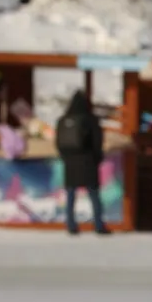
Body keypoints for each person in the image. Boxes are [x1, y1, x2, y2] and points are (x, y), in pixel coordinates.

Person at [54, 91, 108, 236]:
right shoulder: (90, 119)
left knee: (71, 195)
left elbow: (58, 143)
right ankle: (98, 225)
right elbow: (97, 142)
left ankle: (71, 224)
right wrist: (97, 158)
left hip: (70, 162)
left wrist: (66, 157)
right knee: (94, 195)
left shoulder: (63, 120)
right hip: (88, 160)